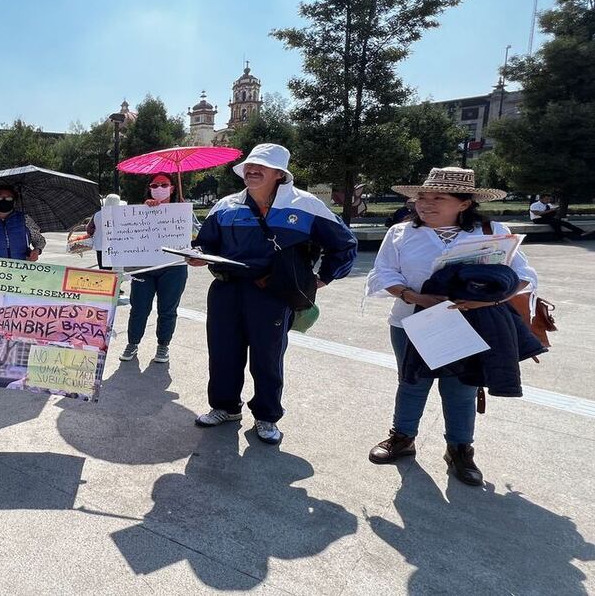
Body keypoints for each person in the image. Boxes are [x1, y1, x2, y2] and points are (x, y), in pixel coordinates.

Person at [366, 167, 538, 486]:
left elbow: (524, 274)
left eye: (438, 198)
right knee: (412, 382)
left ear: (464, 203)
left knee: (462, 388)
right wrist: (415, 296)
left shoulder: (492, 231)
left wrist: (488, 301)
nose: (425, 204)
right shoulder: (401, 233)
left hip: (473, 323)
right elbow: (384, 273)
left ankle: (459, 449)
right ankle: (402, 438)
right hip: (412, 322)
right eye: (422, 198)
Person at [190, 144, 358, 444]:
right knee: (222, 351)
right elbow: (206, 243)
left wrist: (323, 278)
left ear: (279, 174)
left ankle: (267, 416)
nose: (252, 170)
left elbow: (344, 243)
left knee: (267, 357)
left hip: (272, 293)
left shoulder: (306, 205)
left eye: (261, 167)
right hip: (226, 289)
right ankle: (225, 407)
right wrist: (199, 254)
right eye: (250, 166)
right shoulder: (226, 206)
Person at [116, 175, 189, 365]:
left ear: (172, 188)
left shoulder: (182, 209)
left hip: (173, 267)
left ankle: (163, 345)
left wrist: (184, 215)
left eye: (164, 185)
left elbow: (197, 235)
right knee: (139, 308)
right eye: (155, 185)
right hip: (144, 267)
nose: (159, 188)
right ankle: (132, 343)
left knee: (168, 309)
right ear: (149, 188)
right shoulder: (139, 211)